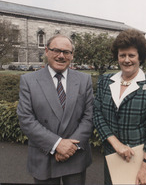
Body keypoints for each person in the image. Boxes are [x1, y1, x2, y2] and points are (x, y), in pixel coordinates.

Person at [17, 34, 94, 185]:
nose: (61, 56)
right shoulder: (28, 81)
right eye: (56, 50)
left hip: (75, 156)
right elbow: (26, 119)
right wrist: (57, 144)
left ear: (72, 56)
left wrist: (71, 147)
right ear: (46, 51)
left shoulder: (84, 80)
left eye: (66, 52)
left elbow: (89, 116)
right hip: (44, 156)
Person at [93, 29, 146, 185]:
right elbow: (97, 114)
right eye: (122, 55)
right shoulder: (105, 81)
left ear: (140, 57)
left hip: (141, 161)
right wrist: (116, 144)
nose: (127, 60)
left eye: (131, 55)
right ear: (117, 57)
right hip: (113, 158)